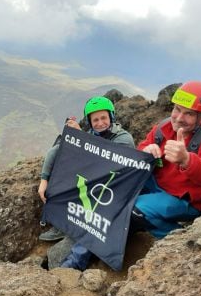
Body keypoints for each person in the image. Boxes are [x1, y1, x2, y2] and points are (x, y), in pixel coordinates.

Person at [61, 80, 201, 270]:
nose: (179, 117)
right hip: (156, 186)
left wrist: (187, 159)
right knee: (113, 191)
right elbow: (138, 151)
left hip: (184, 199)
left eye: (189, 113)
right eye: (177, 109)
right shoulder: (162, 128)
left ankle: (178, 237)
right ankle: (80, 258)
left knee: (133, 209)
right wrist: (146, 151)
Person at [38, 96, 135, 241]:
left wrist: (81, 138)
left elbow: (104, 162)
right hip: (91, 180)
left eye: (104, 118)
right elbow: (56, 150)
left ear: (111, 117)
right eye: (95, 120)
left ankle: (72, 226)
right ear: (90, 122)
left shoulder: (123, 139)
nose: (100, 123)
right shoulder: (91, 135)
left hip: (112, 187)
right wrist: (44, 179)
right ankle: (63, 223)